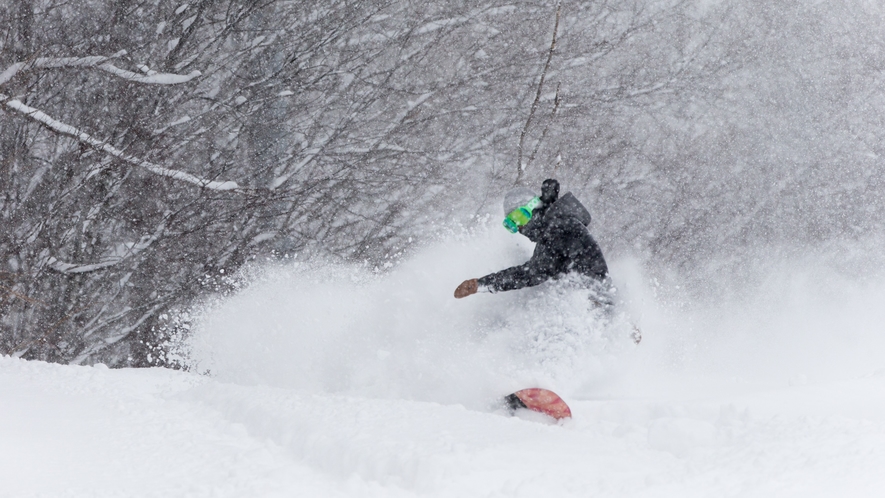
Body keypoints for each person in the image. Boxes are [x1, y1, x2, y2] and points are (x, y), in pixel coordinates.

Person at [454, 179, 611, 304]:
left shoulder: (560, 226)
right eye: (512, 224)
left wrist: (481, 284)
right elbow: (533, 272)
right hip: (589, 301)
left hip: (592, 302)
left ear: (533, 208)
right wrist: (481, 284)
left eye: (520, 217)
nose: (520, 227)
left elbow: (533, 273)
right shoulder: (553, 230)